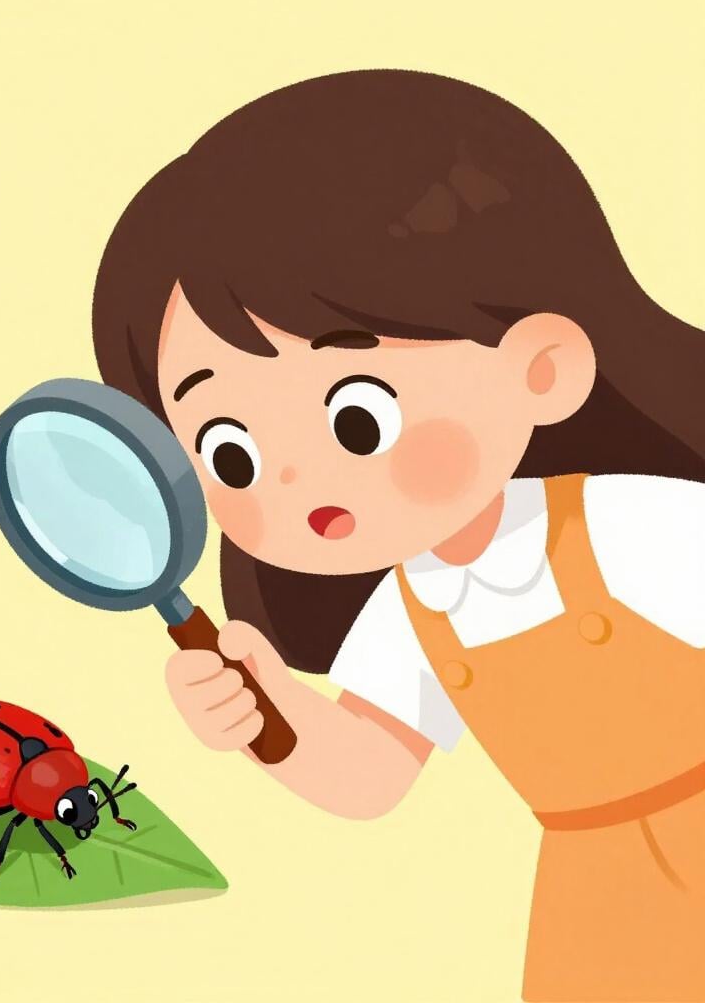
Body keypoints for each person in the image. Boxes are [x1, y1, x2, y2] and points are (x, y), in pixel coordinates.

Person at [90, 70, 705, 1001]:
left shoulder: (625, 525)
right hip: (596, 907)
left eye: (356, 421)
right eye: (231, 451)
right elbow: (371, 776)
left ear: (542, 368)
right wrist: (268, 718)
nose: (292, 479)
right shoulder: (413, 611)